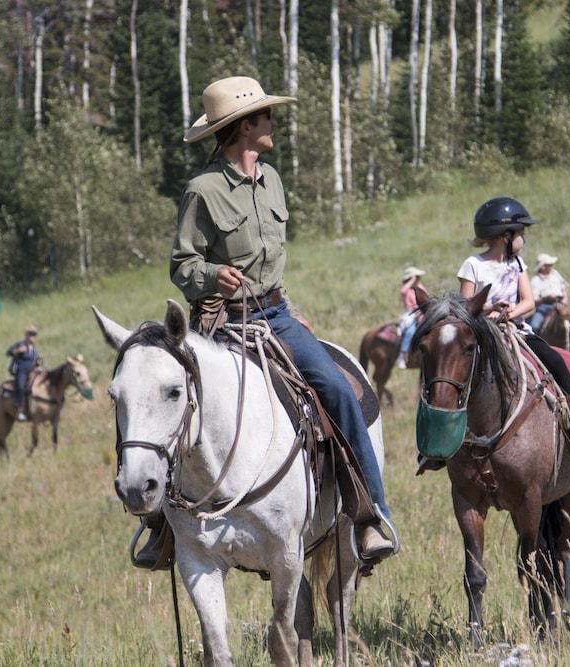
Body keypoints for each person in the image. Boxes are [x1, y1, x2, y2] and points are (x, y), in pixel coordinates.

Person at [159, 76, 395, 569]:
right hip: (222, 323)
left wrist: (286, 304)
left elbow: (271, 259)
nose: (272, 123)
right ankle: (162, 528)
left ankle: (368, 514)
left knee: (335, 388)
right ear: (244, 127)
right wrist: (210, 275)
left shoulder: (272, 179)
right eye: (265, 117)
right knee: (176, 406)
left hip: (276, 315)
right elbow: (182, 265)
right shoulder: (202, 191)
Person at [457, 196, 570, 447]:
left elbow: (529, 302)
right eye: (521, 232)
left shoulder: (517, 263)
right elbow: (463, 307)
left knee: (555, 359)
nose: (524, 238)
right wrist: (490, 308)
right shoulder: (473, 265)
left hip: (515, 330)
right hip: (481, 333)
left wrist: (509, 313)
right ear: (506, 236)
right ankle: (438, 437)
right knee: (449, 372)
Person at [528, 253, 570, 355]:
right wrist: (546, 299)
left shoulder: (556, 275)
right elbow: (534, 301)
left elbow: (564, 290)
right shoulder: (535, 281)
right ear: (542, 267)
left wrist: (564, 300)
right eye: (548, 265)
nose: (551, 267)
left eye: (551, 265)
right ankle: (535, 351)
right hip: (543, 307)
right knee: (534, 326)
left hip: (561, 307)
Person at [6, 325, 40, 422]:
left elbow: (36, 361)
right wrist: (17, 351)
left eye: (35, 334)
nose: (33, 336)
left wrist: (38, 364)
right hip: (21, 371)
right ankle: (19, 410)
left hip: (33, 371)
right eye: (31, 334)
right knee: (20, 387)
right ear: (26, 335)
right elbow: (8, 352)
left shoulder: (34, 349)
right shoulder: (20, 344)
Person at [397, 266, 427, 369]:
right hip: (410, 314)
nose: (418, 279)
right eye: (417, 277)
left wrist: (417, 283)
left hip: (420, 313)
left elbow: (424, 295)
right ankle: (402, 355)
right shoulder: (407, 290)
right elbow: (402, 291)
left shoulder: (417, 288)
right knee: (410, 331)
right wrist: (412, 279)